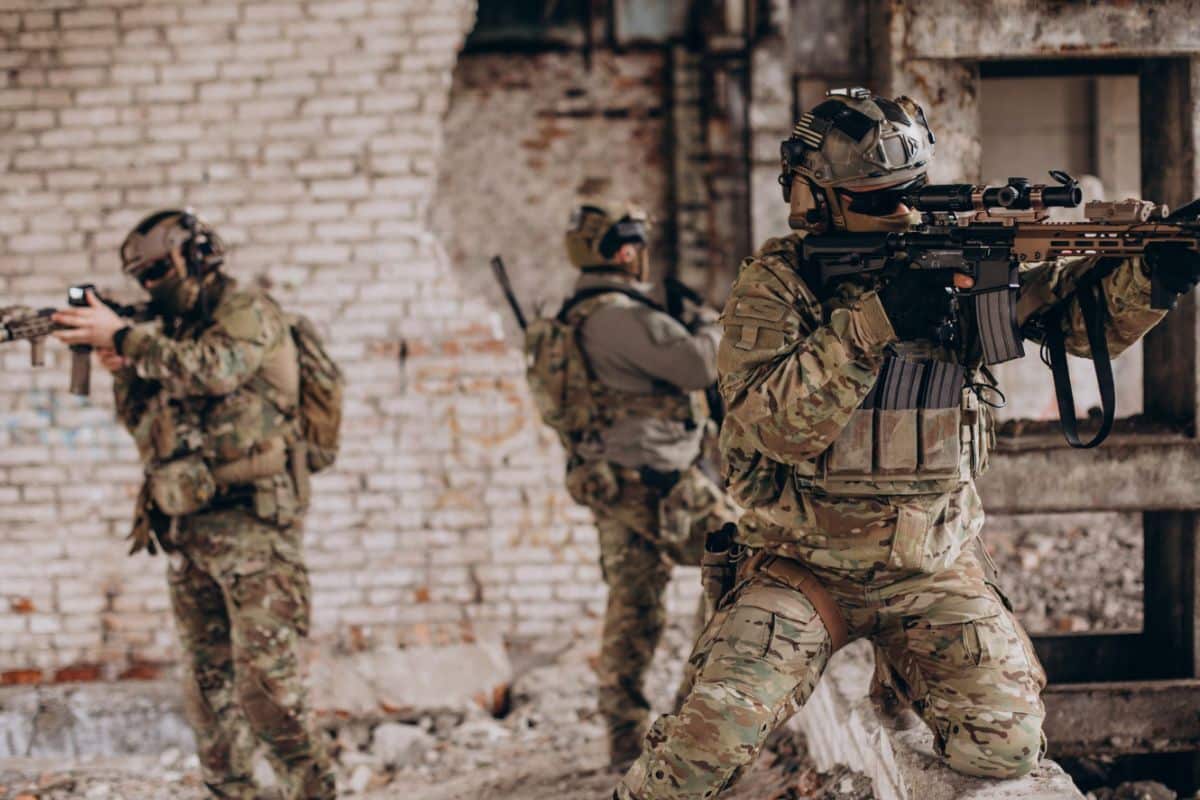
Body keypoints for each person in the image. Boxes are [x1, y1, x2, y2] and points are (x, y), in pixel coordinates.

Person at [614, 88, 1200, 799]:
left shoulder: (963, 265)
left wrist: (1158, 274)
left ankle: (904, 666)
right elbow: (776, 425)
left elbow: (1078, 324)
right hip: (801, 566)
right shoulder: (778, 285)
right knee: (697, 761)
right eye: (875, 199)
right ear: (818, 200)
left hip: (932, 568)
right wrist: (874, 322)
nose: (901, 213)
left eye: (910, 194)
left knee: (1006, 745)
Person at [53, 210, 337, 800]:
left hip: (256, 528)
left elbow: (216, 371)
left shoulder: (246, 311)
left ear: (198, 256)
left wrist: (126, 338)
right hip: (190, 530)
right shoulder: (169, 335)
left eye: (160, 269)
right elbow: (144, 425)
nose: (152, 284)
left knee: (269, 690)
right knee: (208, 693)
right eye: (143, 275)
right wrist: (123, 367)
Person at [529, 202, 740, 768]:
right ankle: (689, 723)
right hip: (657, 483)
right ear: (624, 252)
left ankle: (626, 741)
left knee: (634, 609)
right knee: (745, 561)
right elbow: (702, 366)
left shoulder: (576, 313)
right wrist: (703, 319)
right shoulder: (617, 315)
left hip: (614, 483)